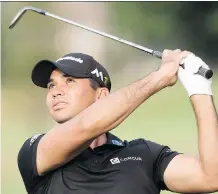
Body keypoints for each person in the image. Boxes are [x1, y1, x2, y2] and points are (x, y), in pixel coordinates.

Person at [17, 50, 218, 194]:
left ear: (101, 96)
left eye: (70, 81)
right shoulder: (35, 152)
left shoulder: (144, 154)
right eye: (51, 85)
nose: (56, 91)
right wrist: (159, 77)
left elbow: (210, 177)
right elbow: (84, 127)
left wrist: (199, 89)